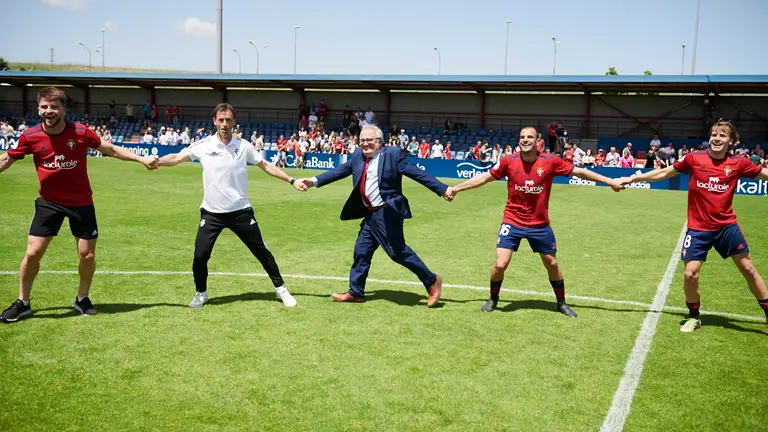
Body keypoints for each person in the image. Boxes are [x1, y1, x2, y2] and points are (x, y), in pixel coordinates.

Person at [0, 87, 158, 323]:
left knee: (87, 255)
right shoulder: (30, 136)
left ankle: (82, 298)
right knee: (33, 252)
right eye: (44, 107)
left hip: (81, 203)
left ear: (63, 109)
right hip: (49, 203)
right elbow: (6, 159)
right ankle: (23, 302)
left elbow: (111, 149)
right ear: (39, 108)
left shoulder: (81, 132)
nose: (49, 111)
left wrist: (142, 158)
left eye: (54, 107)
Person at [449, 126, 623, 316]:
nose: (525, 140)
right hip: (512, 221)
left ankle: (561, 303)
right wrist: (456, 189)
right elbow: (484, 178)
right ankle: (493, 298)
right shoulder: (508, 161)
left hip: (539, 225)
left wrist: (610, 181)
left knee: (552, 264)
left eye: (529, 137)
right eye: (522, 137)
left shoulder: (550, 162)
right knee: (500, 265)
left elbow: (580, 172)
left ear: (537, 141)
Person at [619, 120, 768, 331]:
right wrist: (633, 178)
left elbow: (763, 175)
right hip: (698, 229)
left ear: (731, 141)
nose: (717, 138)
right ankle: (694, 316)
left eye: (722, 135)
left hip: (727, 227)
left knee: (749, 269)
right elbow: (664, 173)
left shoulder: (739, 162)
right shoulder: (694, 158)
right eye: (714, 134)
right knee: (690, 273)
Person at [155, 103, 304, 309]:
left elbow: (267, 166)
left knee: (261, 251)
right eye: (221, 120)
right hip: (211, 213)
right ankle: (201, 293)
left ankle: (281, 289)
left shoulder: (244, 147)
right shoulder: (204, 145)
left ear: (234, 122)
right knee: (200, 255)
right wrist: (158, 162)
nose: (225, 124)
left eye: (228, 120)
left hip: (240, 211)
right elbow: (177, 157)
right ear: (214, 121)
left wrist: (291, 179)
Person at [295, 124, 453, 307]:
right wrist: (313, 181)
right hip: (370, 214)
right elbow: (339, 171)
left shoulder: (393, 155)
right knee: (361, 251)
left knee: (398, 253)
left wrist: (442, 189)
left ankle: (432, 280)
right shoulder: (357, 156)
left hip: (388, 213)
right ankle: (356, 292)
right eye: (362, 140)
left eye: (369, 140)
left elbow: (417, 173)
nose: (365, 144)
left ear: (379, 141)